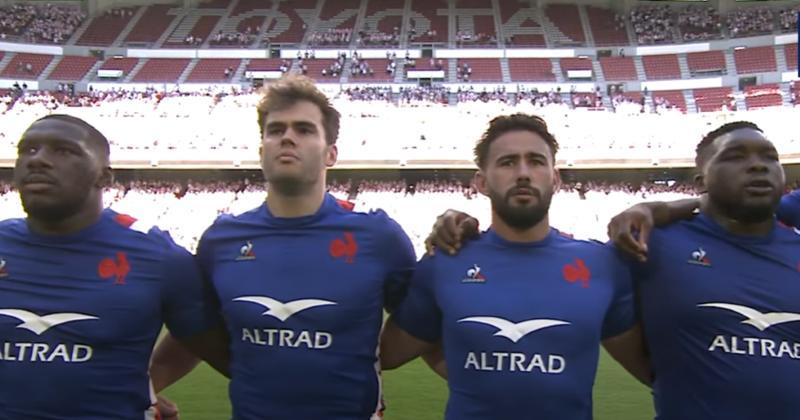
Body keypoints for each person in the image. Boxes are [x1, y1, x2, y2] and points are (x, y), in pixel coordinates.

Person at [436, 121, 800, 419]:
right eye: (735, 156)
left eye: (770, 157)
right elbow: (531, 271)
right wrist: (464, 229)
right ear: (701, 182)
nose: (757, 165)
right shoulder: (653, 245)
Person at [151, 75, 417, 420]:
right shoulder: (221, 240)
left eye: (304, 130)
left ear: (331, 153)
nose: (287, 137)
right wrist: (145, 388)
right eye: (276, 130)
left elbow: (423, 324)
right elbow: (194, 331)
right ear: (262, 150)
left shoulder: (379, 236)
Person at [380, 113, 649, 420]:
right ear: (481, 181)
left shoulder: (603, 265)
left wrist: (663, 208)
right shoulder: (445, 262)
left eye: (536, 161)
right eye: (507, 162)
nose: (523, 173)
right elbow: (388, 353)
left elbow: (653, 371)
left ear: (555, 178)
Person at [0, 114, 226, 419]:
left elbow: (208, 344)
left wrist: (146, 387)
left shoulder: (158, 257)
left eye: (63, 150)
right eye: (27, 150)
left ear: (104, 177)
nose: (37, 160)